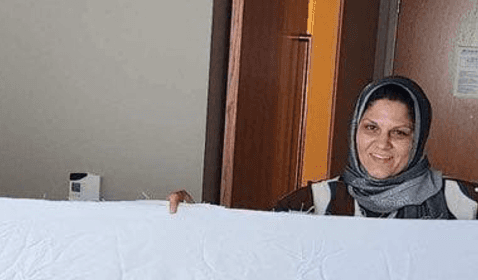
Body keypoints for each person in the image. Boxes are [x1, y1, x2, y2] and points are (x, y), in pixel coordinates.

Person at [168, 76, 478, 218]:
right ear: (354, 130)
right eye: (371, 128)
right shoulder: (313, 203)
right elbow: (250, 252)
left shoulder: (464, 204)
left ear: (418, 139)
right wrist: (195, 220)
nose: (382, 144)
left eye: (399, 132)